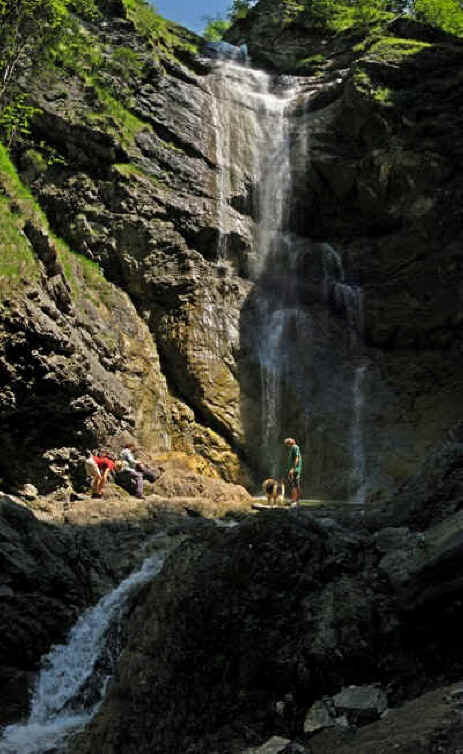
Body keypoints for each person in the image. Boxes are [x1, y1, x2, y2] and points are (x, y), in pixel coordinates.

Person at [284, 437, 302, 504]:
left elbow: (296, 458)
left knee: (295, 484)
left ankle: (295, 500)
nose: (287, 445)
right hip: (294, 469)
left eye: (287, 444)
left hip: (295, 469)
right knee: (294, 484)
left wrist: (293, 468)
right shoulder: (292, 448)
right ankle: (295, 500)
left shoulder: (295, 447)